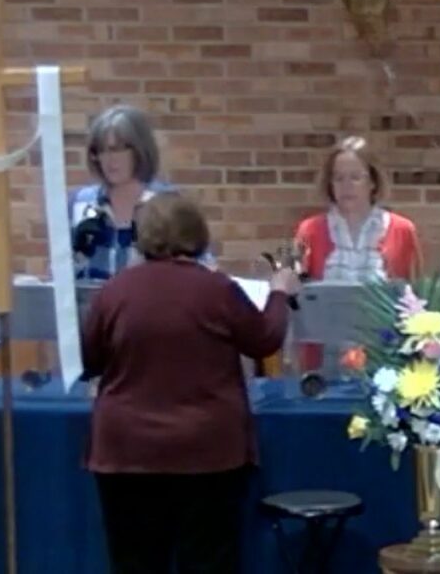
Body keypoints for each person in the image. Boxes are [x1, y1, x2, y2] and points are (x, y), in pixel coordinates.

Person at [82, 193, 295, 574]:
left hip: (126, 452)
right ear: (197, 234)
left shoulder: (114, 292)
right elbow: (264, 339)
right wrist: (279, 292)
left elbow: (89, 357)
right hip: (208, 451)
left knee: (135, 563)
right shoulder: (217, 290)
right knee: (209, 562)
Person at [71, 105, 208, 281]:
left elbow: (203, 272)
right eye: (102, 151)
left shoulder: (169, 205)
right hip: (92, 306)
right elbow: (57, 280)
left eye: (118, 149)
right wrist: (78, 256)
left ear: (139, 149)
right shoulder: (80, 203)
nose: (110, 159)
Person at [294, 136, 421, 284]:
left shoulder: (402, 230)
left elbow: (416, 296)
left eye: (355, 177)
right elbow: (294, 294)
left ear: (373, 182)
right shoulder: (309, 231)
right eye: (339, 178)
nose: (346, 185)